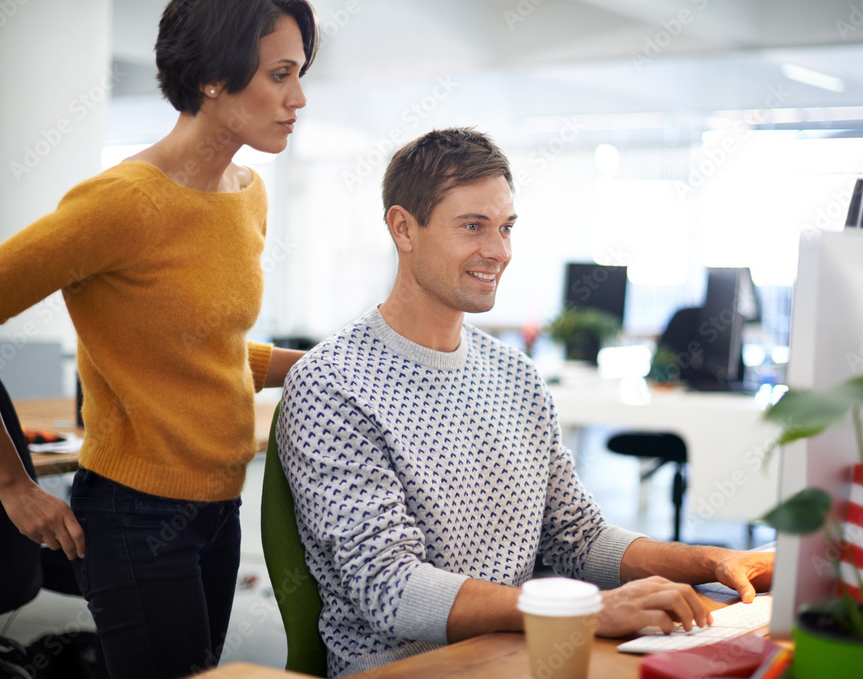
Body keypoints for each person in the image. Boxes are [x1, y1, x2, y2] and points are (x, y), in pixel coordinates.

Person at [277, 128, 775, 678]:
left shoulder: (515, 373)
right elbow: (390, 589)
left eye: (506, 228)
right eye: (473, 227)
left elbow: (577, 540)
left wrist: (708, 561)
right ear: (403, 228)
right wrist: (586, 610)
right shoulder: (332, 383)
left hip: (523, 654)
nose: (498, 251)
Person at [0, 1, 318, 676]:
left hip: (218, 508)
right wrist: (12, 483)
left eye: (300, 74)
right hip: (135, 517)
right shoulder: (118, 203)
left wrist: (328, 367)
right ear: (213, 77)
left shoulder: (248, 194)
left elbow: (199, 348)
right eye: (279, 74)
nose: (298, 98)